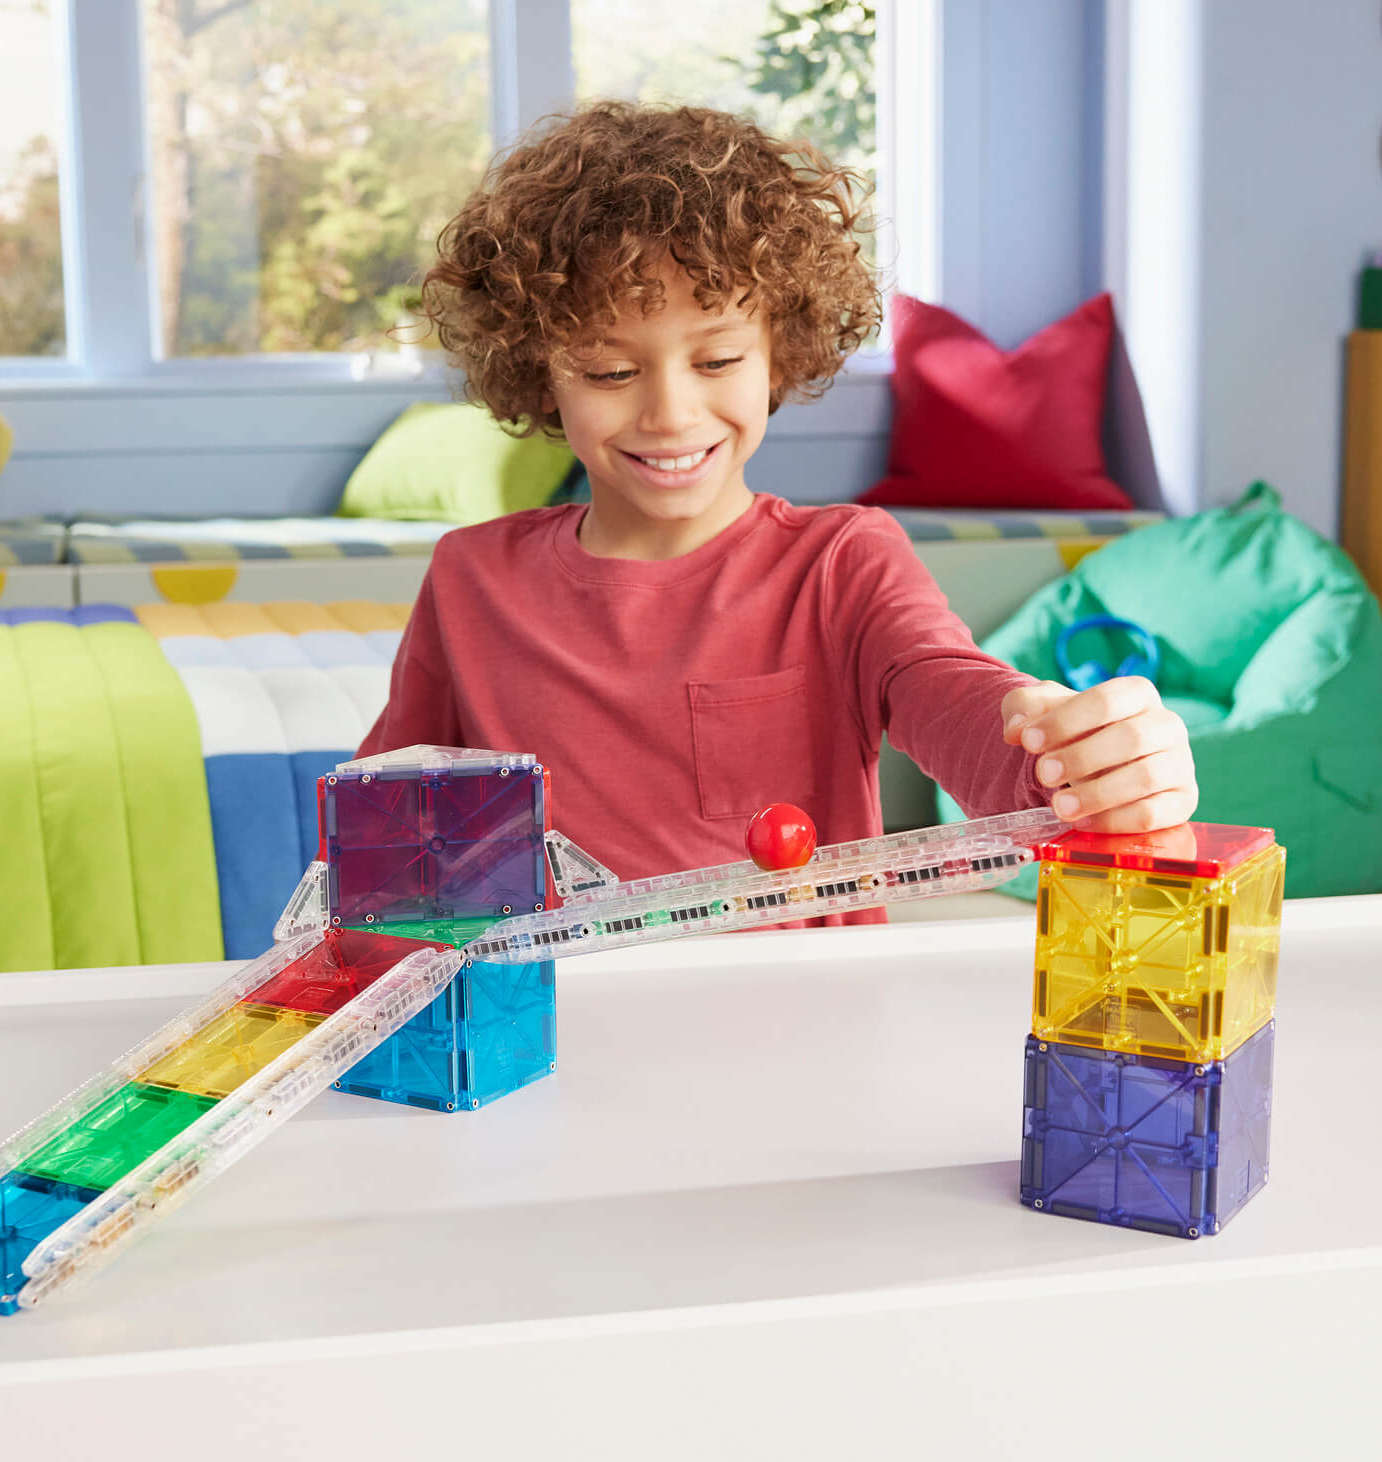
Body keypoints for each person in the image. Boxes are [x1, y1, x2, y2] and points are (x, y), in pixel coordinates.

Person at [357, 102, 1196, 918]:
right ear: (542, 373)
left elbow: (959, 702)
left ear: (778, 353)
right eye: (612, 372)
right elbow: (381, 845)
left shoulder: (841, 562)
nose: (670, 414)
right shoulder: (472, 579)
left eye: (719, 359)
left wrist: (1067, 756)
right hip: (555, 1008)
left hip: (807, 1003)